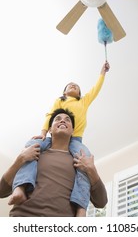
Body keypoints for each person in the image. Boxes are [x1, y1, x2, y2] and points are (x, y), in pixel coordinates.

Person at [9, 62, 110, 216]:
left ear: (80, 93)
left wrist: (102, 73)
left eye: (76, 86)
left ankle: (81, 208)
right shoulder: (60, 101)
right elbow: (50, 115)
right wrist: (43, 133)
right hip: (22, 216)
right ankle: (20, 188)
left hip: (76, 140)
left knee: (85, 161)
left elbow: (96, 89)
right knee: (31, 144)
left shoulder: (83, 101)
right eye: (70, 85)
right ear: (64, 92)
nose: (73, 86)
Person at [0, 109, 108, 217]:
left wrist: (91, 170)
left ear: (72, 131)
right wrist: (20, 159)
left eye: (67, 120)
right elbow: (1, 191)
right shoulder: (33, 154)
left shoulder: (81, 162)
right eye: (58, 119)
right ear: (50, 130)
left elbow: (101, 202)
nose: (62, 121)